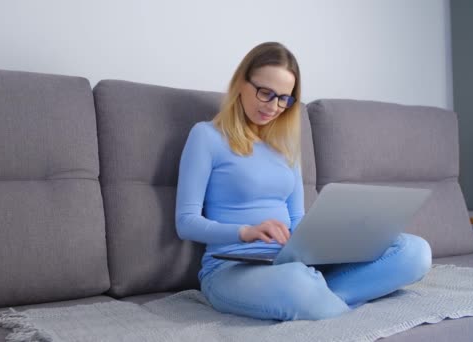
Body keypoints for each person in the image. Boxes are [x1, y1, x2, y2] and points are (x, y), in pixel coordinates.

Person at [175, 42, 432, 321]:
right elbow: (186, 222)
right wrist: (245, 232)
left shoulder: (286, 147)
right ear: (241, 83)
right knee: (297, 282)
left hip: (292, 261)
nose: (274, 107)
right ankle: (321, 296)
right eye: (265, 93)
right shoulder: (206, 137)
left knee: (414, 251)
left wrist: (330, 243)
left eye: (284, 98)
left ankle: (322, 297)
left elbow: (297, 218)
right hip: (230, 269)